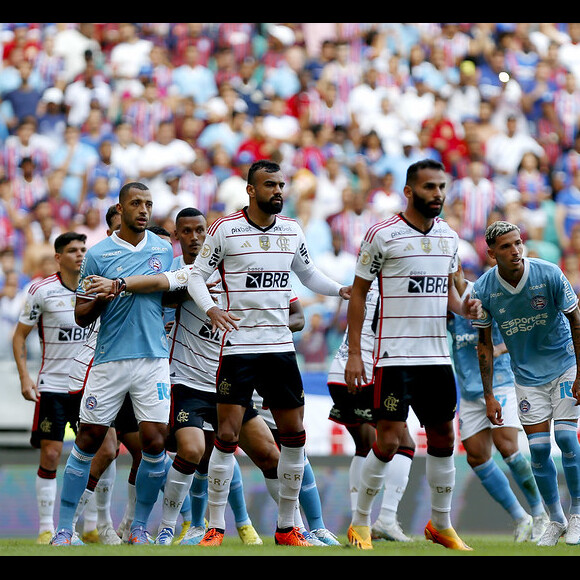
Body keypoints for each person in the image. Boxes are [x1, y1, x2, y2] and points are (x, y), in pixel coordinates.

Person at [186, 159, 351, 546]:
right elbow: (196, 276)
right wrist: (211, 309)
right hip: (238, 350)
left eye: (281, 185)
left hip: (279, 350)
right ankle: (215, 526)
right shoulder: (225, 229)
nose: (278, 191)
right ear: (251, 190)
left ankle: (286, 527)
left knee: (294, 436)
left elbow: (308, 274)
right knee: (225, 436)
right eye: (270, 185)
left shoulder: (292, 231)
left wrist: (340, 289)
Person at [344, 158, 481, 551]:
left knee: (442, 435)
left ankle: (440, 524)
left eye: (441, 187)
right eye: (429, 187)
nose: (437, 194)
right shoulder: (382, 234)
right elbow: (358, 293)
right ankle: (360, 524)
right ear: (409, 191)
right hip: (394, 356)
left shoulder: (450, 237)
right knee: (387, 442)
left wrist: (464, 309)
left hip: (437, 358)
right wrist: (356, 353)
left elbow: (450, 295)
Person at [50, 181, 174, 546]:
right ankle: (63, 529)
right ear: (120, 209)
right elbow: (81, 316)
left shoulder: (163, 249)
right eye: (136, 203)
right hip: (109, 359)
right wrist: (103, 296)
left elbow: (170, 291)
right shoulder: (99, 254)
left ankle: (137, 527)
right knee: (88, 439)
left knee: (154, 443)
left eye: (148, 204)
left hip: (153, 359)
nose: (144, 210)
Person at [472, 220, 580, 546]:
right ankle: (555, 519)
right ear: (492, 253)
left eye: (518, 242)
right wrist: (489, 396)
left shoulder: (548, 273)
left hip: (564, 367)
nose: (516, 250)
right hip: (526, 378)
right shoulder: (483, 290)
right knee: (538, 450)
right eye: (506, 246)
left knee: (567, 440)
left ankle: (577, 515)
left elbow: (576, 320)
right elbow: (484, 344)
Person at [448, 258, 549, 542]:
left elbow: (524, 330)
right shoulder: (446, 304)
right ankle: (521, 518)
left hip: (500, 383)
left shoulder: (486, 294)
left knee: (507, 447)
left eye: (448, 271)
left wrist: (497, 349)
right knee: (477, 456)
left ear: (456, 270)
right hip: (469, 389)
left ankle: (540, 513)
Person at [12, 232, 89, 544]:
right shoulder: (41, 291)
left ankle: (93, 525)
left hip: (90, 387)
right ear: (58, 257)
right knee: (52, 453)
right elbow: (19, 336)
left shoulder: (96, 289)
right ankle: (46, 527)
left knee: (102, 451)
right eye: (73, 250)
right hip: (53, 387)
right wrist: (23, 378)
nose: (80, 255)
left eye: (84, 249)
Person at [327, 277, 415, 543]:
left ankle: (360, 519)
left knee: (365, 446)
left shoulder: (365, 283)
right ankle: (383, 519)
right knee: (402, 443)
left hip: (339, 374)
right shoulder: (400, 286)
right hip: (366, 375)